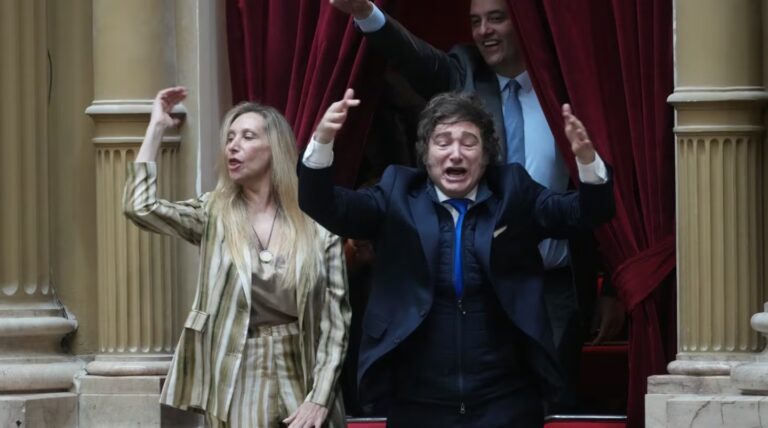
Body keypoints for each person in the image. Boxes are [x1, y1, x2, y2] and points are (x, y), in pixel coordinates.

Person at [331, 0, 626, 410]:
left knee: (549, 400)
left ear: (524, 23)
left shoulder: (569, 87)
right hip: (479, 278)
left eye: (496, 18)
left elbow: (597, 197)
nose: (484, 30)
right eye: (475, 21)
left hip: (554, 280)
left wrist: (613, 283)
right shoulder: (463, 73)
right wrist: (366, 14)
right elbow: (414, 58)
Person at [298, 89, 615, 427]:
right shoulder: (396, 192)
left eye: (469, 142)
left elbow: (585, 213)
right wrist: (323, 143)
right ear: (426, 153)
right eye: (443, 142)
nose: (456, 153)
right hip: (417, 399)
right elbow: (323, 204)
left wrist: (586, 162)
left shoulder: (513, 190)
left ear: (486, 154)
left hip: (505, 397)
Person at [123, 87, 351, 427]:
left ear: (275, 149)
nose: (233, 145)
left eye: (247, 136)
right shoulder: (214, 214)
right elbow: (139, 208)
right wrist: (156, 128)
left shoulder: (315, 221)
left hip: (303, 368)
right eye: (230, 138)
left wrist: (319, 399)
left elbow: (336, 323)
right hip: (239, 368)